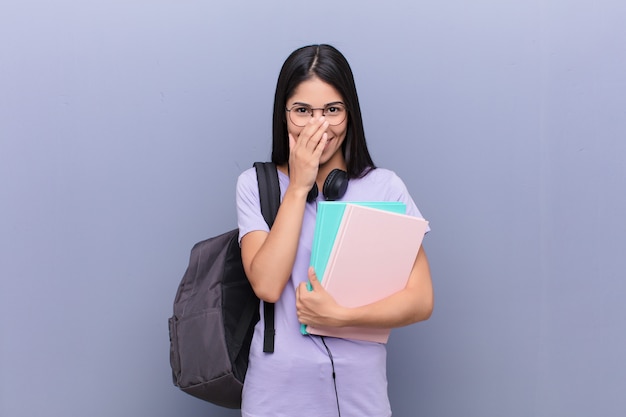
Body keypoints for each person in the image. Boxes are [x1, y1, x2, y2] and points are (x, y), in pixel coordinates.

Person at [236, 44, 433, 417]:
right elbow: (266, 284)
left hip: (362, 397)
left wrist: (341, 316)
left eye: (332, 110)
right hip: (275, 398)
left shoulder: (385, 187)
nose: (318, 126)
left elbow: (421, 300)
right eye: (302, 111)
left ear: (350, 114)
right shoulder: (255, 185)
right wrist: (297, 187)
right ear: (284, 115)